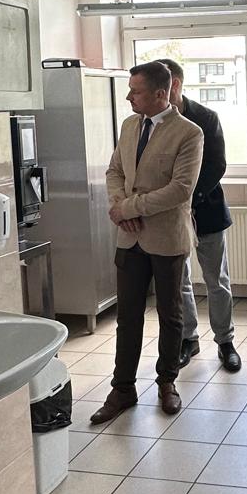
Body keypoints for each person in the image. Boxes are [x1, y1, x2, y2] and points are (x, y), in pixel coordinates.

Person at [90, 61, 203, 422]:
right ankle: (122, 388)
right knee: (127, 317)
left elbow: (180, 189)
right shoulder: (129, 126)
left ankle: (167, 382)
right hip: (130, 238)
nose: (129, 97)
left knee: (170, 315)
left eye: (135, 91)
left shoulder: (189, 133)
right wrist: (119, 206)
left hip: (167, 237)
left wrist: (129, 207)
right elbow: (115, 171)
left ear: (160, 93)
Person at [159, 57, 241, 372]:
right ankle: (188, 339)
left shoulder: (206, 118)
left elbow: (216, 165)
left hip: (206, 210)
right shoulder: (154, 121)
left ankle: (225, 342)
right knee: (179, 280)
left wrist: (188, 199)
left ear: (175, 85)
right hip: (169, 214)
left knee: (216, 280)